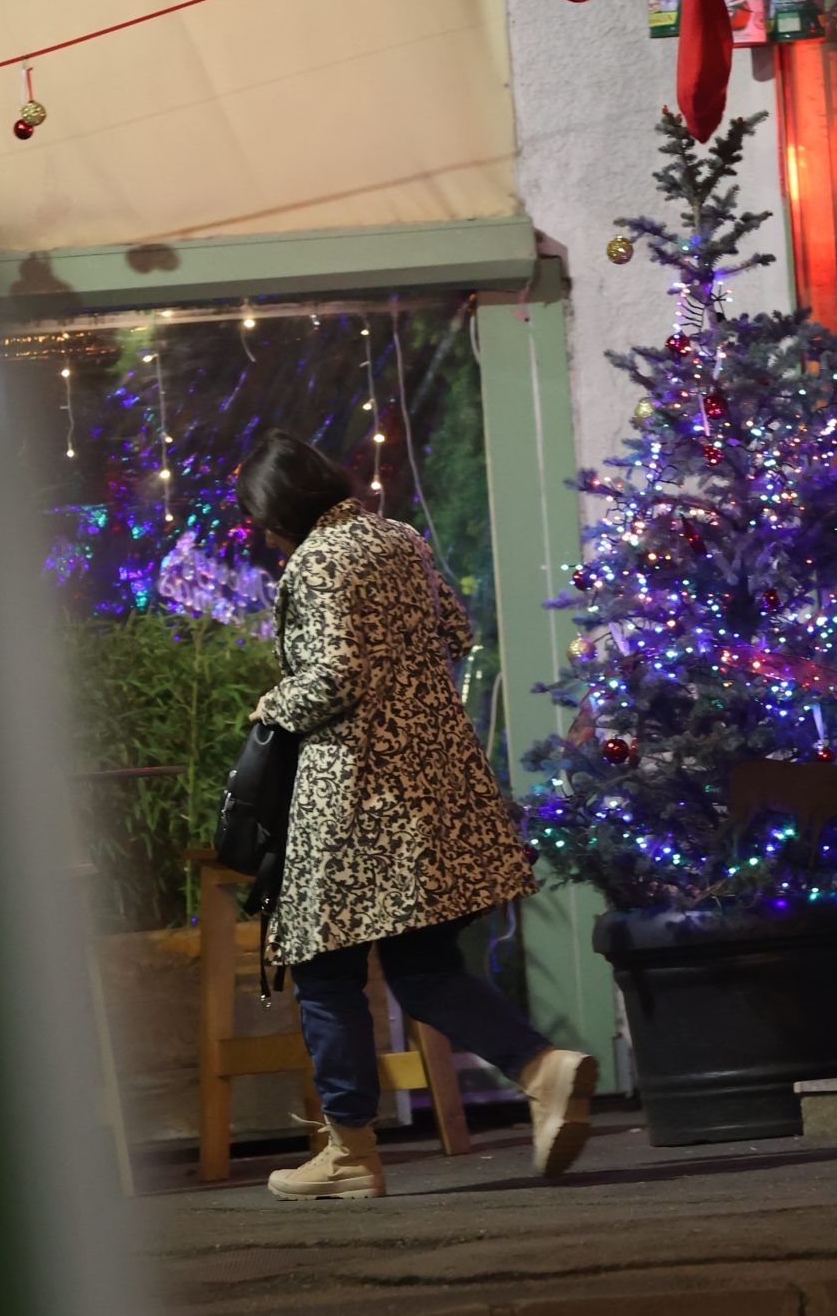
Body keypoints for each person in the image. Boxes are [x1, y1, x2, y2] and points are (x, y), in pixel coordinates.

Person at [237, 428, 594, 1201]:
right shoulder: (399, 537)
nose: (263, 538)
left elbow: (333, 676)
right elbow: (455, 632)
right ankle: (543, 1068)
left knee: (324, 969)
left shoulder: (316, 559)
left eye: (260, 521)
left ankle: (349, 1153)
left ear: (281, 511)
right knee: (423, 965)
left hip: (353, 794)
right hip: (433, 780)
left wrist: (272, 705)